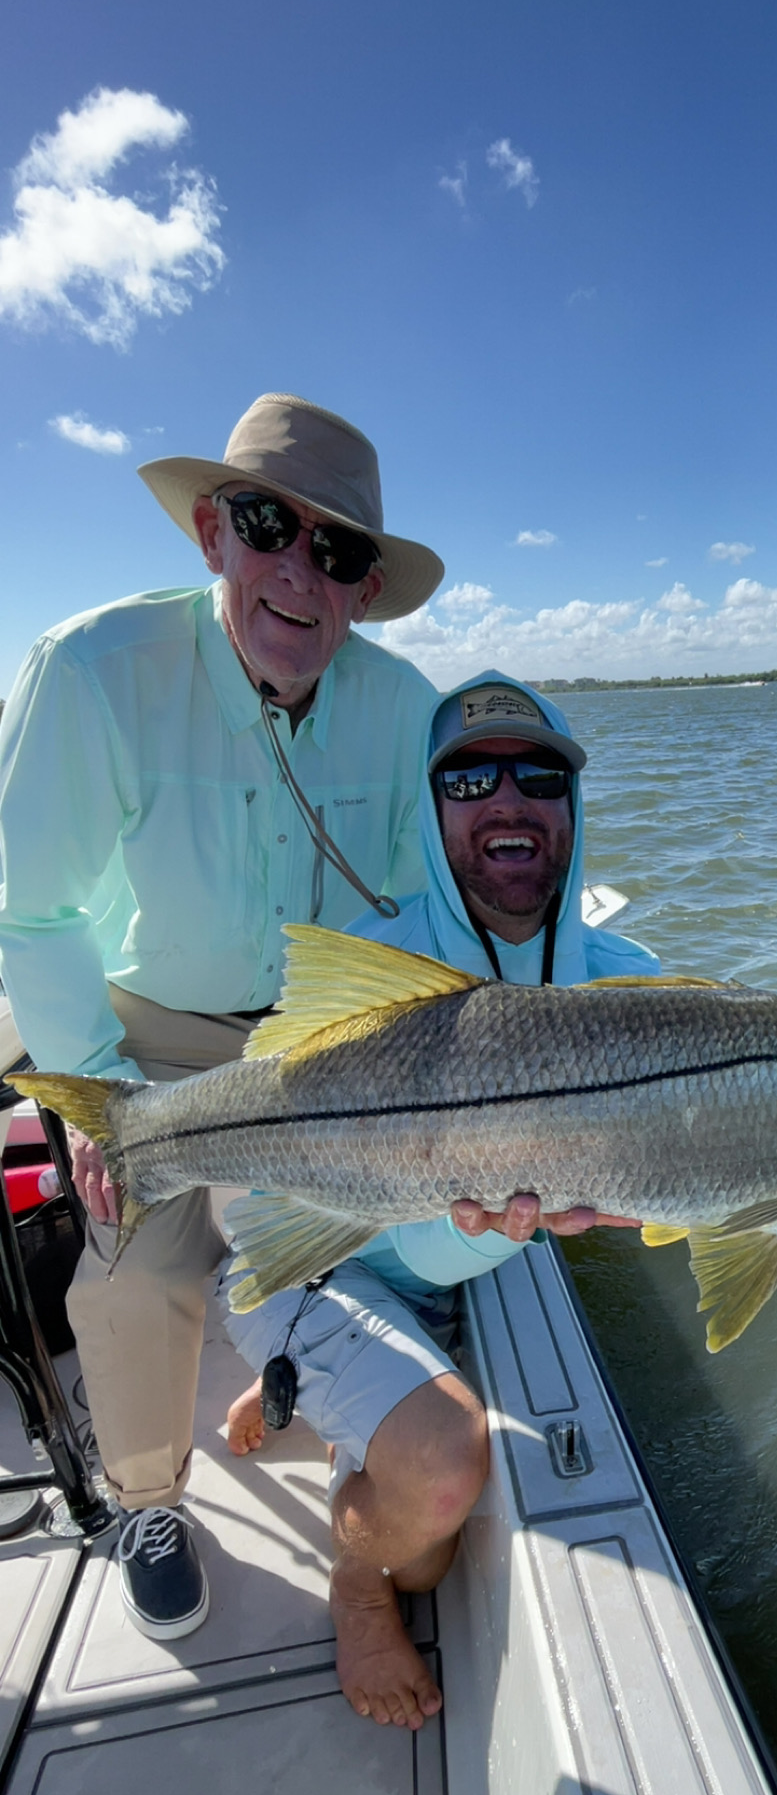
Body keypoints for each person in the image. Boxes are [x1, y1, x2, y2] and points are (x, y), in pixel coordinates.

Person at [0, 393, 447, 1643]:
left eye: (341, 552)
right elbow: (31, 913)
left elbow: (426, 914)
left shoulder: (407, 708)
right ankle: (150, 1496)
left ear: (366, 589)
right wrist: (92, 1083)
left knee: (372, 1244)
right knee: (133, 1264)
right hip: (143, 1027)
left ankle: (296, 1384)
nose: (303, 575)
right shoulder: (91, 671)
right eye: (271, 528)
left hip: (324, 1039)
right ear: (211, 532)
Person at [222, 672, 660, 1731]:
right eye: (468, 777)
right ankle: (356, 1582)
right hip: (314, 1249)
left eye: (537, 775)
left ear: (572, 807)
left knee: (428, 1376)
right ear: (432, 811)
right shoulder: (378, 959)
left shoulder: (630, 981)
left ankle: (320, 1390)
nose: (505, 798)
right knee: (442, 1479)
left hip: (447, 1272)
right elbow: (260, 1137)